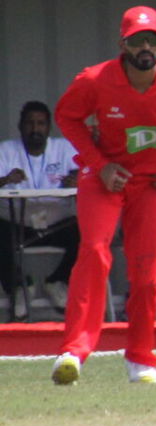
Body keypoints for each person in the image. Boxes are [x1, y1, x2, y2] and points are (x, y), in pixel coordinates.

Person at [48, 5, 156, 385]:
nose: (145, 47)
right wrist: (98, 163)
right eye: (137, 40)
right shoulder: (95, 80)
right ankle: (73, 351)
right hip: (105, 180)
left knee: (147, 273)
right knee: (94, 251)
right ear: (122, 44)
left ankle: (141, 358)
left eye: (152, 40)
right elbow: (67, 116)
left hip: (154, 184)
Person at [0, 100, 81, 313]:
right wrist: (6, 179)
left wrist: (75, 179)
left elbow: (84, 172)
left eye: (41, 123)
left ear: (48, 127)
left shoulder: (63, 147)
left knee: (90, 231)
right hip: (19, 224)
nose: (35, 129)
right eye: (30, 123)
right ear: (20, 126)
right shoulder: (6, 150)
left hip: (57, 224)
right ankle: (19, 287)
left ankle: (58, 281)